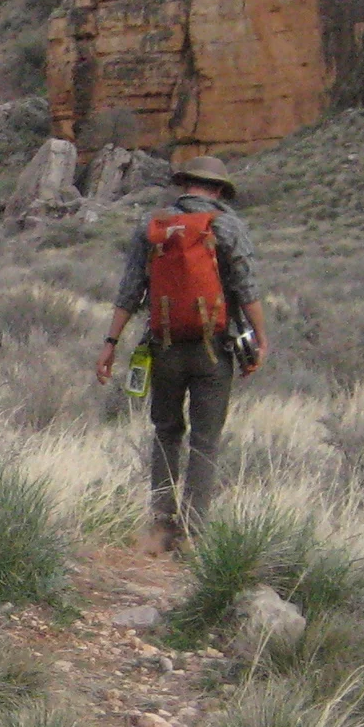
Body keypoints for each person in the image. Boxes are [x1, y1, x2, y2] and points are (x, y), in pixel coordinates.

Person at [94, 154, 266, 551]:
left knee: (166, 433)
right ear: (220, 190)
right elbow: (247, 288)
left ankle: (160, 526)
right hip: (214, 349)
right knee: (205, 439)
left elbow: (130, 290)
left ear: (184, 184)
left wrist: (111, 343)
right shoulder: (228, 226)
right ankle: (194, 532)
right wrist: (260, 337)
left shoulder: (153, 227)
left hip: (164, 346)